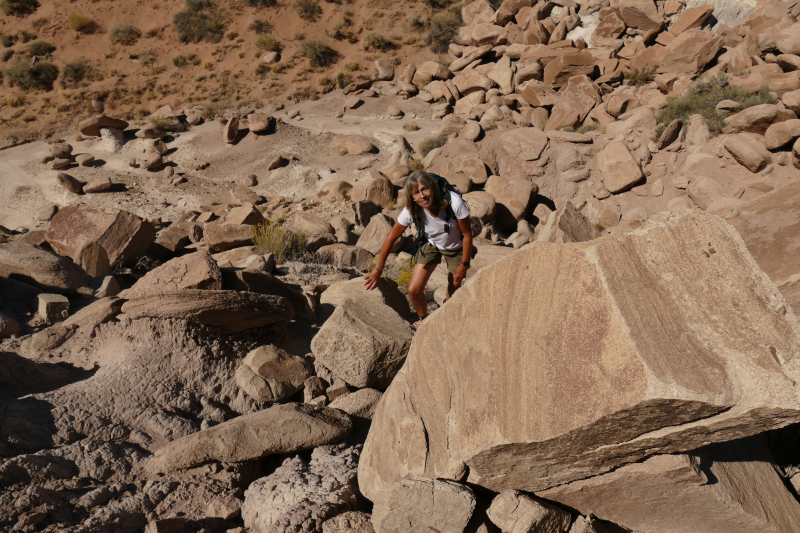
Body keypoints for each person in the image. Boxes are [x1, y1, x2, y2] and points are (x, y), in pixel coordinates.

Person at [363, 170, 473, 329]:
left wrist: (463, 264)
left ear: (433, 188)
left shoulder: (453, 202)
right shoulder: (411, 210)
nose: (422, 196)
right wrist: (378, 269)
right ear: (412, 197)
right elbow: (391, 238)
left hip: (456, 247)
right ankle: (424, 320)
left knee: (454, 287)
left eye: (424, 189)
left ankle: (447, 322)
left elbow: (467, 235)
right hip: (432, 244)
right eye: (416, 193)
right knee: (413, 291)